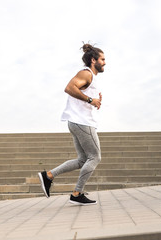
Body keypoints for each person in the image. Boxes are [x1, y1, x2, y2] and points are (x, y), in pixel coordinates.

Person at [38, 43, 106, 206]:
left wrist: (94, 100)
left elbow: (81, 93)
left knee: (83, 160)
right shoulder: (86, 73)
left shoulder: (90, 77)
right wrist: (91, 100)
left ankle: (49, 176)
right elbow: (69, 88)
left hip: (76, 122)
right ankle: (77, 193)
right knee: (95, 157)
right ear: (93, 60)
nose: (105, 62)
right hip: (83, 123)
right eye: (102, 59)